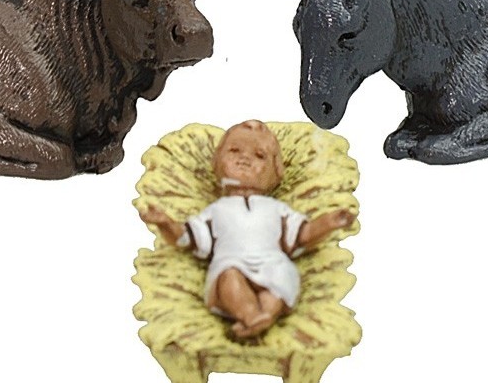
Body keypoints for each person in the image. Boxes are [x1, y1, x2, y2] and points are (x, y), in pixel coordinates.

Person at [140, 120, 354, 339]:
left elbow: (302, 235)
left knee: (280, 279)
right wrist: (165, 223)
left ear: (277, 172)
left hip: (273, 261)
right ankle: (251, 315)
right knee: (229, 278)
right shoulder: (217, 210)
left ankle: (265, 314)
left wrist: (328, 223)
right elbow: (188, 238)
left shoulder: (276, 209)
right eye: (234, 150)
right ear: (216, 163)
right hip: (230, 262)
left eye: (259, 156)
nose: (244, 159)